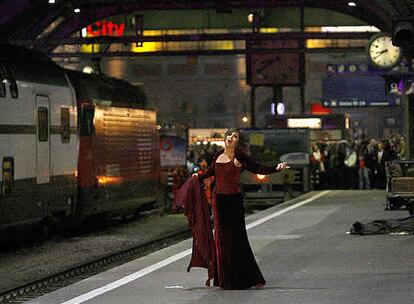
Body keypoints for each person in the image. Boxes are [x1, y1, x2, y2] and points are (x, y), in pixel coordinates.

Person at [195, 128, 287, 290]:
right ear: (225, 138)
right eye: (229, 135)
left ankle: (243, 278)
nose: (231, 137)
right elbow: (211, 172)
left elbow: (258, 168)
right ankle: (224, 279)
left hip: (234, 201)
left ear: (238, 141)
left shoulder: (240, 156)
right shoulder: (217, 155)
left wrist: (276, 168)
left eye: (235, 136)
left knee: (237, 239)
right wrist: (199, 177)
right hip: (219, 200)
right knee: (221, 240)